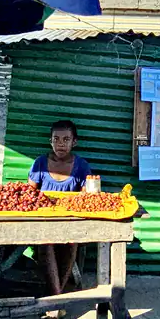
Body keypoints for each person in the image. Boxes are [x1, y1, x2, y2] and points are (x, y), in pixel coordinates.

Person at [28, 120, 92, 298]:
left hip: (70, 222)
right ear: (50, 141)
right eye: (56, 139)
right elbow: (29, 195)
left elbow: (87, 199)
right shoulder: (40, 163)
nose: (61, 144)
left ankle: (53, 298)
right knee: (46, 243)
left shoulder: (82, 167)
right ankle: (56, 298)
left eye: (66, 139)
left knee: (70, 243)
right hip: (44, 221)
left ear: (74, 142)